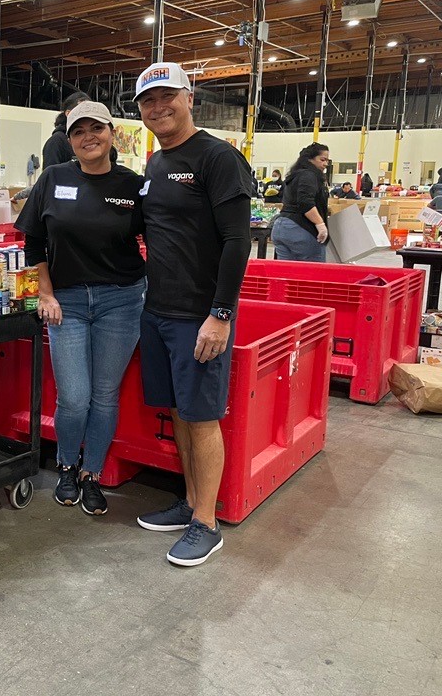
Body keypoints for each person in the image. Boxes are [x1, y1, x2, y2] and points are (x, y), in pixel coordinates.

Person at [132, 62, 253, 567]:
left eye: (167, 97)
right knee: (180, 412)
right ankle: (189, 502)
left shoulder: (218, 157)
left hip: (198, 315)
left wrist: (220, 314)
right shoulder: (157, 163)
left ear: (189, 97)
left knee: (202, 418)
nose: (158, 108)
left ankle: (207, 522)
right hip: (157, 309)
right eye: (148, 101)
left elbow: (237, 240)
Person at [15, 101, 146, 516]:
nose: (89, 137)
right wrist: (46, 293)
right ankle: (67, 466)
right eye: (78, 131)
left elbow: (161, 236)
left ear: (111, 133)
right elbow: (33, 242)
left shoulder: (133, 185)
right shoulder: (53, 178)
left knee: (105, 396)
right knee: (75, 397)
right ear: (69, 139)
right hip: (66, 300)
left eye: (97, 128)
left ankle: (93, 473)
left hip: (121, 300)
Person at [271, 143, 331, 263]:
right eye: (322, 160)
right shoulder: (309, 175)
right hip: (301, 228)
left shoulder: (295, 175)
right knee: (311, 275)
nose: (325, 164)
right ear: (310, 159)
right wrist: (320, 224)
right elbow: (306, 203)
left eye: (327, 161)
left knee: (286, 274)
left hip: (281, 227)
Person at [42, 91, 91, 169]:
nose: (86, 115)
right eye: (81, 110)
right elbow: (50, 177)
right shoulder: (57, 141)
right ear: (68, 113)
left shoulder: (92, 139)